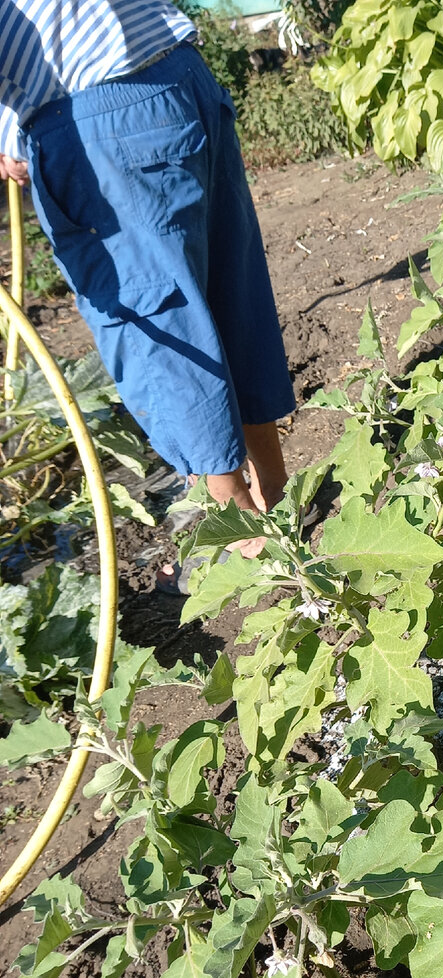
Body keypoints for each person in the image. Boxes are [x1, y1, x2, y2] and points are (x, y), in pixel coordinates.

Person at [0, 0, 294, 575]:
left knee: (160, 332)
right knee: (230, 294)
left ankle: (251, 546)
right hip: (176, 76)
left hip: (100, 126)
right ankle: (278, 495)